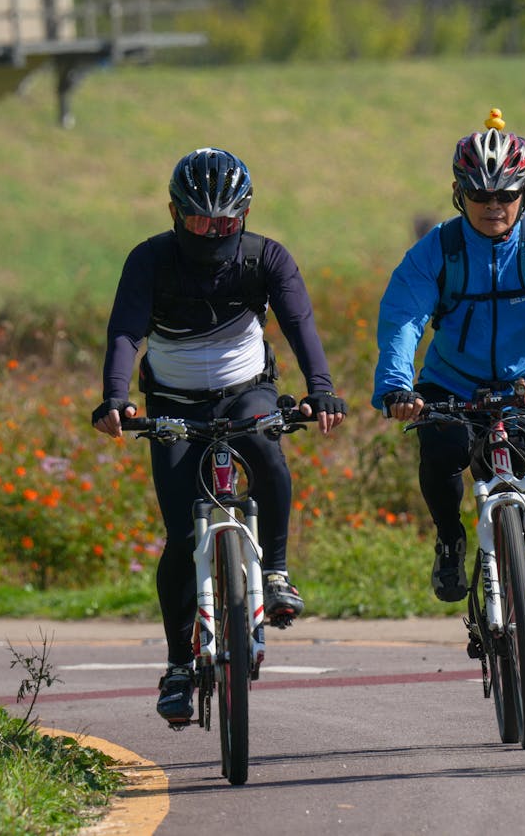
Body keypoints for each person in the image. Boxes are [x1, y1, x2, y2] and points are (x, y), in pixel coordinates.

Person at [91, 147, 347, 724]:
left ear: (246, 213)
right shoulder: (149, 260)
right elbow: (127, 332)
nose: (213, 233)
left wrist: (322, 387)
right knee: (182, 536)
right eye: (200, 222)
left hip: (246, 389)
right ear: (175, 213)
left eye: (226, 222)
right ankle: (178, 666)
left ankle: (276, 572)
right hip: (172, 401)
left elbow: (299, 322)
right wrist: (115, 398)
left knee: (268, 453)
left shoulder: (267, 258)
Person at [372, 110, 525, 702]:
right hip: (451, 388)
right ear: (458, 195)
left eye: (505, 194)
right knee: (440, 453)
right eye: (479, 194)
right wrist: (397, 386)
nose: (493, 205)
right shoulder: (438, 252)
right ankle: (450, 538)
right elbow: (403, 318)